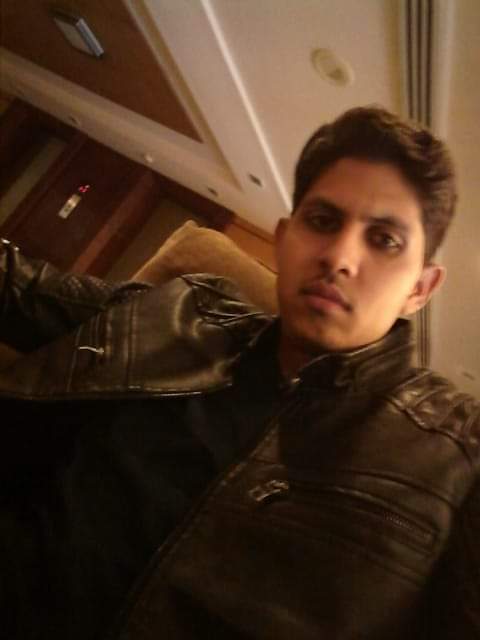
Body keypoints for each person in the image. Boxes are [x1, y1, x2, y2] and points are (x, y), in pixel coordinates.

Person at [0, 106, 478, 640]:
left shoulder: (458, 458)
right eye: (323, 221)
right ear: (284, 238)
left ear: (420, 289)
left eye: (385, 240)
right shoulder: (185, 309)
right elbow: (22, 288)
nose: (340, 257)